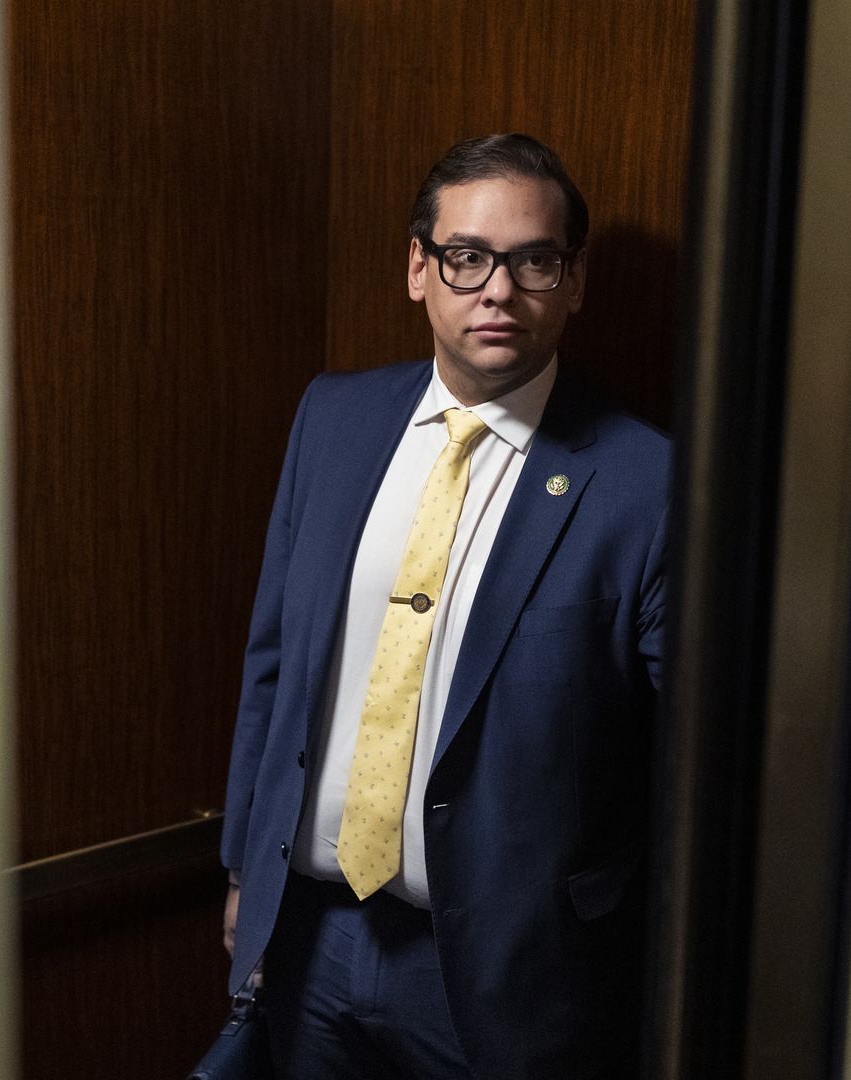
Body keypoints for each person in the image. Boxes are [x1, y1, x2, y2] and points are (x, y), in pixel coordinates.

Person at [219, 133, 669, 1080]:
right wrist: (241, 870)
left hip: (508, 977)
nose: (497, 290)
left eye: (533, 260)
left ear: (572, 281)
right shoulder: (333, 420)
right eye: (467, 257)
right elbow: (274, 662)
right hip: (311, 942)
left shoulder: (647, 482)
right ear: (419, 268)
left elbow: (679, 766)